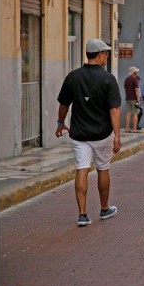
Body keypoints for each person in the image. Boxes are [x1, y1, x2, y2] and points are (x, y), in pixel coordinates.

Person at [55, 39, 121, 227]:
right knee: (103, 169)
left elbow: (63, 104)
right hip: (102, 134)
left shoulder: (73, 77)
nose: (106, 56)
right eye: (106, 53)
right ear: (99, 55)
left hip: (79, 134)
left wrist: (60, 123)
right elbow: (114, 109)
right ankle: (104, 208)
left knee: (81, 169)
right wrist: (117, 134)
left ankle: (82, 214)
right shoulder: (108, 79)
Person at [124, 66, 141, 133]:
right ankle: (134, 129)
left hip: (128, 98)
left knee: (128, 113)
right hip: (134, 99)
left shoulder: (126, 79)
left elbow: (125, 89)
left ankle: (127, 128)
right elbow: (136, 90)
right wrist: (138, 99)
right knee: (135, 114)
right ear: (134, 72)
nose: (137, 73)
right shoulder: (134, 79)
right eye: (136, 72)